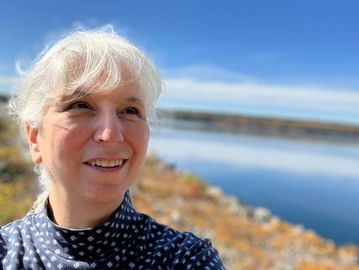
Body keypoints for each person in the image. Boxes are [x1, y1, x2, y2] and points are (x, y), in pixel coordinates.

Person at [0, 26, 225, 269]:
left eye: (130, 111)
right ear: (35, 138)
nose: (111, 134)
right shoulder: (6, 253)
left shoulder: (184, 260)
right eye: (80, 105)